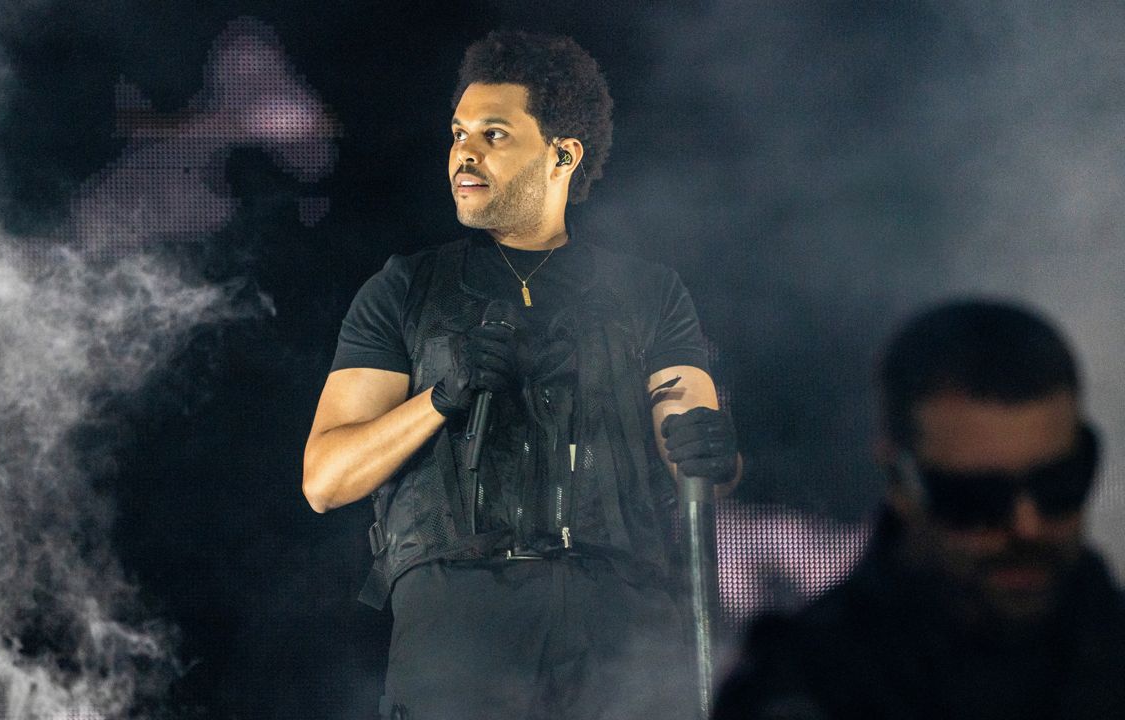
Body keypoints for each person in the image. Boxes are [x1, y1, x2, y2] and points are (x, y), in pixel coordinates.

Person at [302, 30, 738, 720]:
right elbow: (325, 480)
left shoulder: (649, 293)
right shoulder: (406, 290)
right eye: (458, 133)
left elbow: (690, 440)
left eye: (495, 134)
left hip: (621, 618)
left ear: (563, 153)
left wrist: (711, 449)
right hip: (459, 622)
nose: (464, 153)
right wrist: (438, 400)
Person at [715, 299, 1125, 720]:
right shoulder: (806, 691)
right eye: (975, 499)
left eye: (1058, 484)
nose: (1027, 526)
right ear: (901, 483)